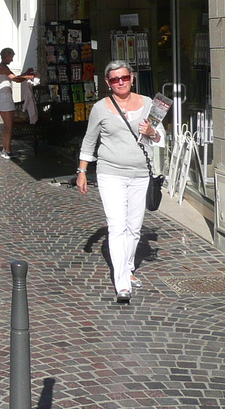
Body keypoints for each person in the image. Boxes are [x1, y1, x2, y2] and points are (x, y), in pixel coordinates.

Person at [75, 59, 163, 304]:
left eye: (124, 77)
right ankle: (122, 283)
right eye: (115, 79)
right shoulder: (100, 108)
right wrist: (82, 170)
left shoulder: (149, 104)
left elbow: (161, 137)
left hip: (140, 173)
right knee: (117, 226)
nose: (120, 82)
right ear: (107, 83)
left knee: (134, 228)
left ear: (132, 77)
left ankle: (127, 268)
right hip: (110, 172)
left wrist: (152, 133)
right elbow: (89, 140)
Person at [0, 47, 37, 159]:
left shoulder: (2, 67)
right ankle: (7, 150)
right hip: (4, 97)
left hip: (2, 96)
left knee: (7, 126)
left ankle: (6, 149)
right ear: (7, 56)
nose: (12, 60)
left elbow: (17, 77)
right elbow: (16, 79)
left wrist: (25, 74)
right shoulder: (3, 67)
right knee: (9, 125)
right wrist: (28, 76)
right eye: (11, 57)